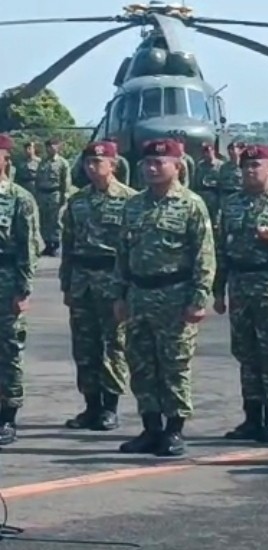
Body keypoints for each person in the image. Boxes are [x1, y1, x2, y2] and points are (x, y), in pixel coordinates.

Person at [113, 139, 216, 457]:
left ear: (178, 166)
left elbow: (205, 255)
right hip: (140, 294)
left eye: (160, 162)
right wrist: (119, 294)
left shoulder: (191, 204)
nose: (152, 168)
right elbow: (122, 253)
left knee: (174, 366)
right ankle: (150, 427)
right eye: (148, 163)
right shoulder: (134, 205)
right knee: (141, 365)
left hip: (174, 295)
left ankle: (174, 430)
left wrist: (199, 298)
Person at [213, 145, 268, 443]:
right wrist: (218, 290)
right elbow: (221, 250)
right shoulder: (232, 204)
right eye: (246, 166)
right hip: (239, 282)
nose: (249, 171)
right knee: (246, 353)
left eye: (256, 166)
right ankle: (252, 416)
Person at [60, 140, 137, 431]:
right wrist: (67, 283)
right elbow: (68, 245)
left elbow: (132, 249)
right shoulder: (77, 201)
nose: (93, 168)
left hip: (112, 279)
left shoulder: (130, 200)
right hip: (82, 280)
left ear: (113, 165)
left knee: (113, 346)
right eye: (89, 163)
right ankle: (91, 406)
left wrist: (127, 289)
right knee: (84, 346)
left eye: (99, 163)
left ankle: (110, 407)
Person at [0, 135, 39, 446]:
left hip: (6, 281)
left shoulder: (19, 198)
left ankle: (7, 417)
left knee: (9, 351)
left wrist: (23, 290)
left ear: (5, 159)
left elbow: (28, 249)